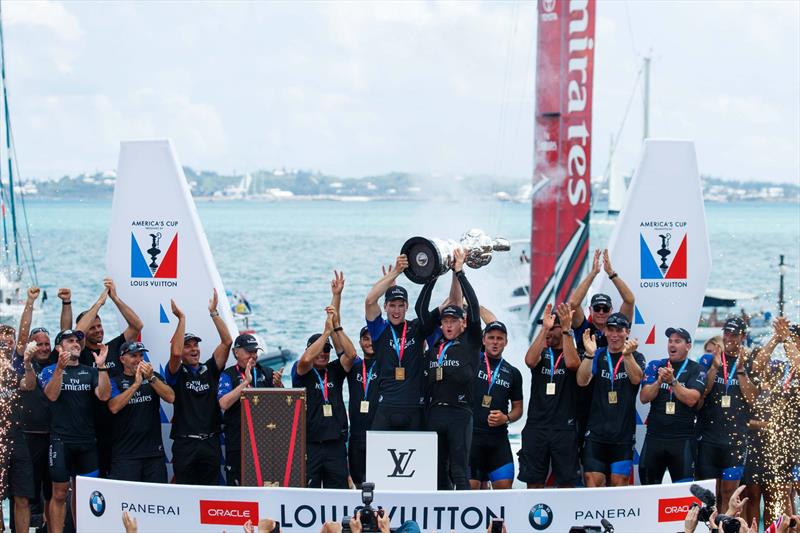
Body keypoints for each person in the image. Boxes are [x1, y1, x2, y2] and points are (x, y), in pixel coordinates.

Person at [364, 255, 457, 431]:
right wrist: (395, 273)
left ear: (407, 307)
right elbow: (370, 301)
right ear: (385, 307)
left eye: (401, 305)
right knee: (379, 458)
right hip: (386, 408)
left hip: (415, 408)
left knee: (419, 458)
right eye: (392, 305)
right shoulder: (379, 329)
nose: (396, 311)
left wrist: (454, 271)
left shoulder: (417, 327)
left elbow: (451, 303)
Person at [420, 249, 482, 490]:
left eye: (453, 321)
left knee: (458, 470)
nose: (448, 325)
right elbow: (420, 309)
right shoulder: (435, 344)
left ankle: (465, 523)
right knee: (437, 473)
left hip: (459, 413)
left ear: (462, 323)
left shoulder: (470, 342)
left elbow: (474, 307)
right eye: (445, 321)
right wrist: (431, 275)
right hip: (435, 413)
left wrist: (460, 273)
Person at [38, 329, 110, 533]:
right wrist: (60, 369)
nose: (77, 343)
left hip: (87, 442)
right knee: (59, 494)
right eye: (70, 341)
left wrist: (102, 367)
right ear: (59, 348)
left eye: (78, 341)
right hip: (61, 441)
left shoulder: (91, 371)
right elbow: (51, 396)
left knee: (85, 494)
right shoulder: (50, 370)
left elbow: (104, 396)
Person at [75, 278, 143, 479]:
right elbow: (77, 333)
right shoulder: (80, 352)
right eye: (92, 327)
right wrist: (98, 303)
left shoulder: (114, 348)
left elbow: (137, 325)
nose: (98, 330)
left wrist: (115, 298)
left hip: (119, 425)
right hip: (91, 427)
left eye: (99, 325)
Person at [165, 290, 232, 485]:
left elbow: (227, 342)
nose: (194, 349)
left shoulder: (209, 369)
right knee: (185, 491)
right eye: (189, 346)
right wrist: (182, 319)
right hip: (186, 443)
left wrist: (214, 312)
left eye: (196, 345)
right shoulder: (176, 372)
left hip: (210, 442)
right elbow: (176, 353)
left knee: (211, 491)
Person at [576, 312, 645, 487]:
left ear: (627, 332)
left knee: (619, 486)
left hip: (622, 436)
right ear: (605, 332)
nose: (615, 335)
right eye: (611, 330)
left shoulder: (636, 356)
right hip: (595, 435)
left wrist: (627, 355)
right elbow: (582, 381)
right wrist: (589, 355)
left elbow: (636, 379)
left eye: (619, 330)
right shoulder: (597, 354)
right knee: (593, 484)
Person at [292, 306, 356, 488]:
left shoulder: (334, 370)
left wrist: (336, 328)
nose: (322, 353)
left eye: (326, 350)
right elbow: (305, 360)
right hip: (310, 444)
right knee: (309, 490)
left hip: (335, 444)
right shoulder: (301, 371)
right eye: (318, 350)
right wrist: (325, 333)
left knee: (338, 492)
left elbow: (351, 354)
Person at [518, 303, 581, 488]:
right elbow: (529, 361)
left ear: (562, 328)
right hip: (536, 426)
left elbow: (572, 364)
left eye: (553, 327)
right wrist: (545, 329)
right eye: (547, 326)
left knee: (566, 483)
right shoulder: (542, 352)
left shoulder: (574, 352)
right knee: (534, 482)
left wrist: (568, 331)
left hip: (564, 427)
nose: (548, 331)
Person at [697, 317, 757, 510]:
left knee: (730, 495)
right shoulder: (709, 359)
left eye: (734, 335)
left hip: (735, 440)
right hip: (709, 437)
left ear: (743, 336)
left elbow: (753, 399)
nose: (729, 338)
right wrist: (714, 367)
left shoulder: (747, 361)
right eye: (727, 334)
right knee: (710, 496)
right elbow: (702, 392)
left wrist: (740, 371)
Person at [638, 327, 706, 485]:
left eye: (677, 341)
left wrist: (673, 382)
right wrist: (659, 381)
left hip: (682, 440)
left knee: (684, 495)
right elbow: (644, 397)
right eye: (670, 341)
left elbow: (692, 399)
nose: (672, 345)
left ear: (688, 346)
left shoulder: (697, 369)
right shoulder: (656, 366)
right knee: (648, 492)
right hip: (655, 438)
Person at [218, 333, 283, 486]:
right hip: (238, 443)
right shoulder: (229, 374)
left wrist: (279, 385)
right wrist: (245, 383)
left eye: (255, 351)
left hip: (265, 443)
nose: (253, 355)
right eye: (249, 351)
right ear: (236, 352)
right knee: (237, 489)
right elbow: (224, 403)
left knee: (266, 486)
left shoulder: (266, 372)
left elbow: (283, 407)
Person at [107, 341, 175, 483]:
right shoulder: (115, 380)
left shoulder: (153, 377)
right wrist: (136, 384)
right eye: (133, 356)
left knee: (156, 498)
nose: (139, 360)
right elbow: (114, 407)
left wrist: (150, 378)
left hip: (153, 453)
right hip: (126, 455)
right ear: (122, 359)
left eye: (141, 356)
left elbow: (170, 397)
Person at [469, 319, 523, 490]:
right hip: (472, 438)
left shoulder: (513, 373)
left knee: (505, 492)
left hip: (498, 440)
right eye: (491, 337)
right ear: (483, 340)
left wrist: (505, 418)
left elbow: (518, 409)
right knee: (470, 492)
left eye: (500, 338)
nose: (495, 342)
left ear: (506, 342)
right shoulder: (471, 362)